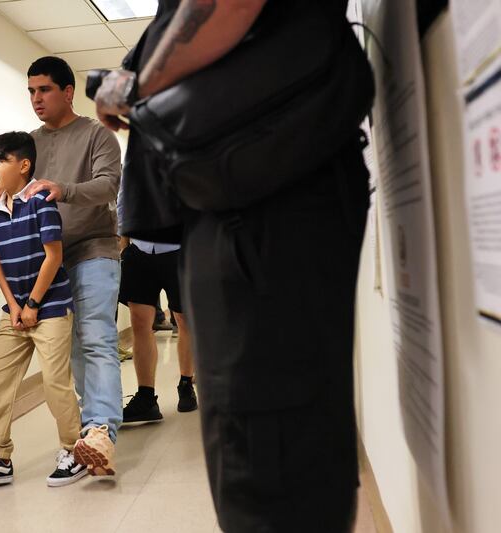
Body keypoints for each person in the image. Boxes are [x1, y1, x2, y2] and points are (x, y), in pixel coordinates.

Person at [94, 0, 369, 531]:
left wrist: (137, 88)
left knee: (264, 442)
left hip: (262, 194)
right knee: (264, 431)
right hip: (246, 188)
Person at [0, 57, 122, 476]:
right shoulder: (29, 142)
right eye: (30, 91)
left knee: (95, 337)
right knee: (71, 348)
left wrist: (64, 189)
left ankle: (100, 431)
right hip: (47, 260)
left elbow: (109, 186)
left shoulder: (98, 135)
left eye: (44, 90)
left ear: (67, 92)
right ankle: (83, 432)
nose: (36, 98)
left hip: (93, 248)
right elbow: (14, 182)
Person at [0, 132, 85, 488]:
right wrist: (14, 306)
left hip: (51, 306)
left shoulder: (42, 201)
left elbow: (54, 256)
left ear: (24, 164)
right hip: (15, 310)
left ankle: (73, 450)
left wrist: (33, 303)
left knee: (55, 382)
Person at [117, 180, 197, 423]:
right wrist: (124, 248)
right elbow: (123, 206)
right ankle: (146, 396)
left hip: (179, 250)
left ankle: (186, 383)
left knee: (184, 319)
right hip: (140, 253)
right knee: (140, 324)